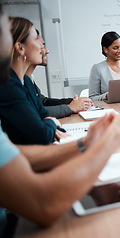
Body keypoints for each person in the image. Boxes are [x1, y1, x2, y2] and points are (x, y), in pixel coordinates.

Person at [0, 6, 120, 238]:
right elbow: (43, 200)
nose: (45, 47)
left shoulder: (23, 82)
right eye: (38, 39)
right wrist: (114, 136)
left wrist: (86, 143)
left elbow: (20, 151)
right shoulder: (8, 87)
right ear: (17, 47)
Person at [0, 17, 64, 145]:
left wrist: (49, 124)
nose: (42, 46)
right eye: (36, 39)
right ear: (20, 47)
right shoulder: (8, 86)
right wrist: (52, 123)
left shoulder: (27, 82)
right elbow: (42, 133)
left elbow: (43, 114)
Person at [25, 30, 92, 119]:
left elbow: (43, 101)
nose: (47, 51)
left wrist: (72, 102)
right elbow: (33, 112)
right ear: (21, 48)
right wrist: (70, 107)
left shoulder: (29, 79)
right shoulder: (16, 81)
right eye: (41, 46)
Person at [89, 31, 120, 101]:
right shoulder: (97, 69)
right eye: (115, 48)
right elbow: (92, 98)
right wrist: (107, 95)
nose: (119, 51)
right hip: (110, 109)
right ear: (105, 49)